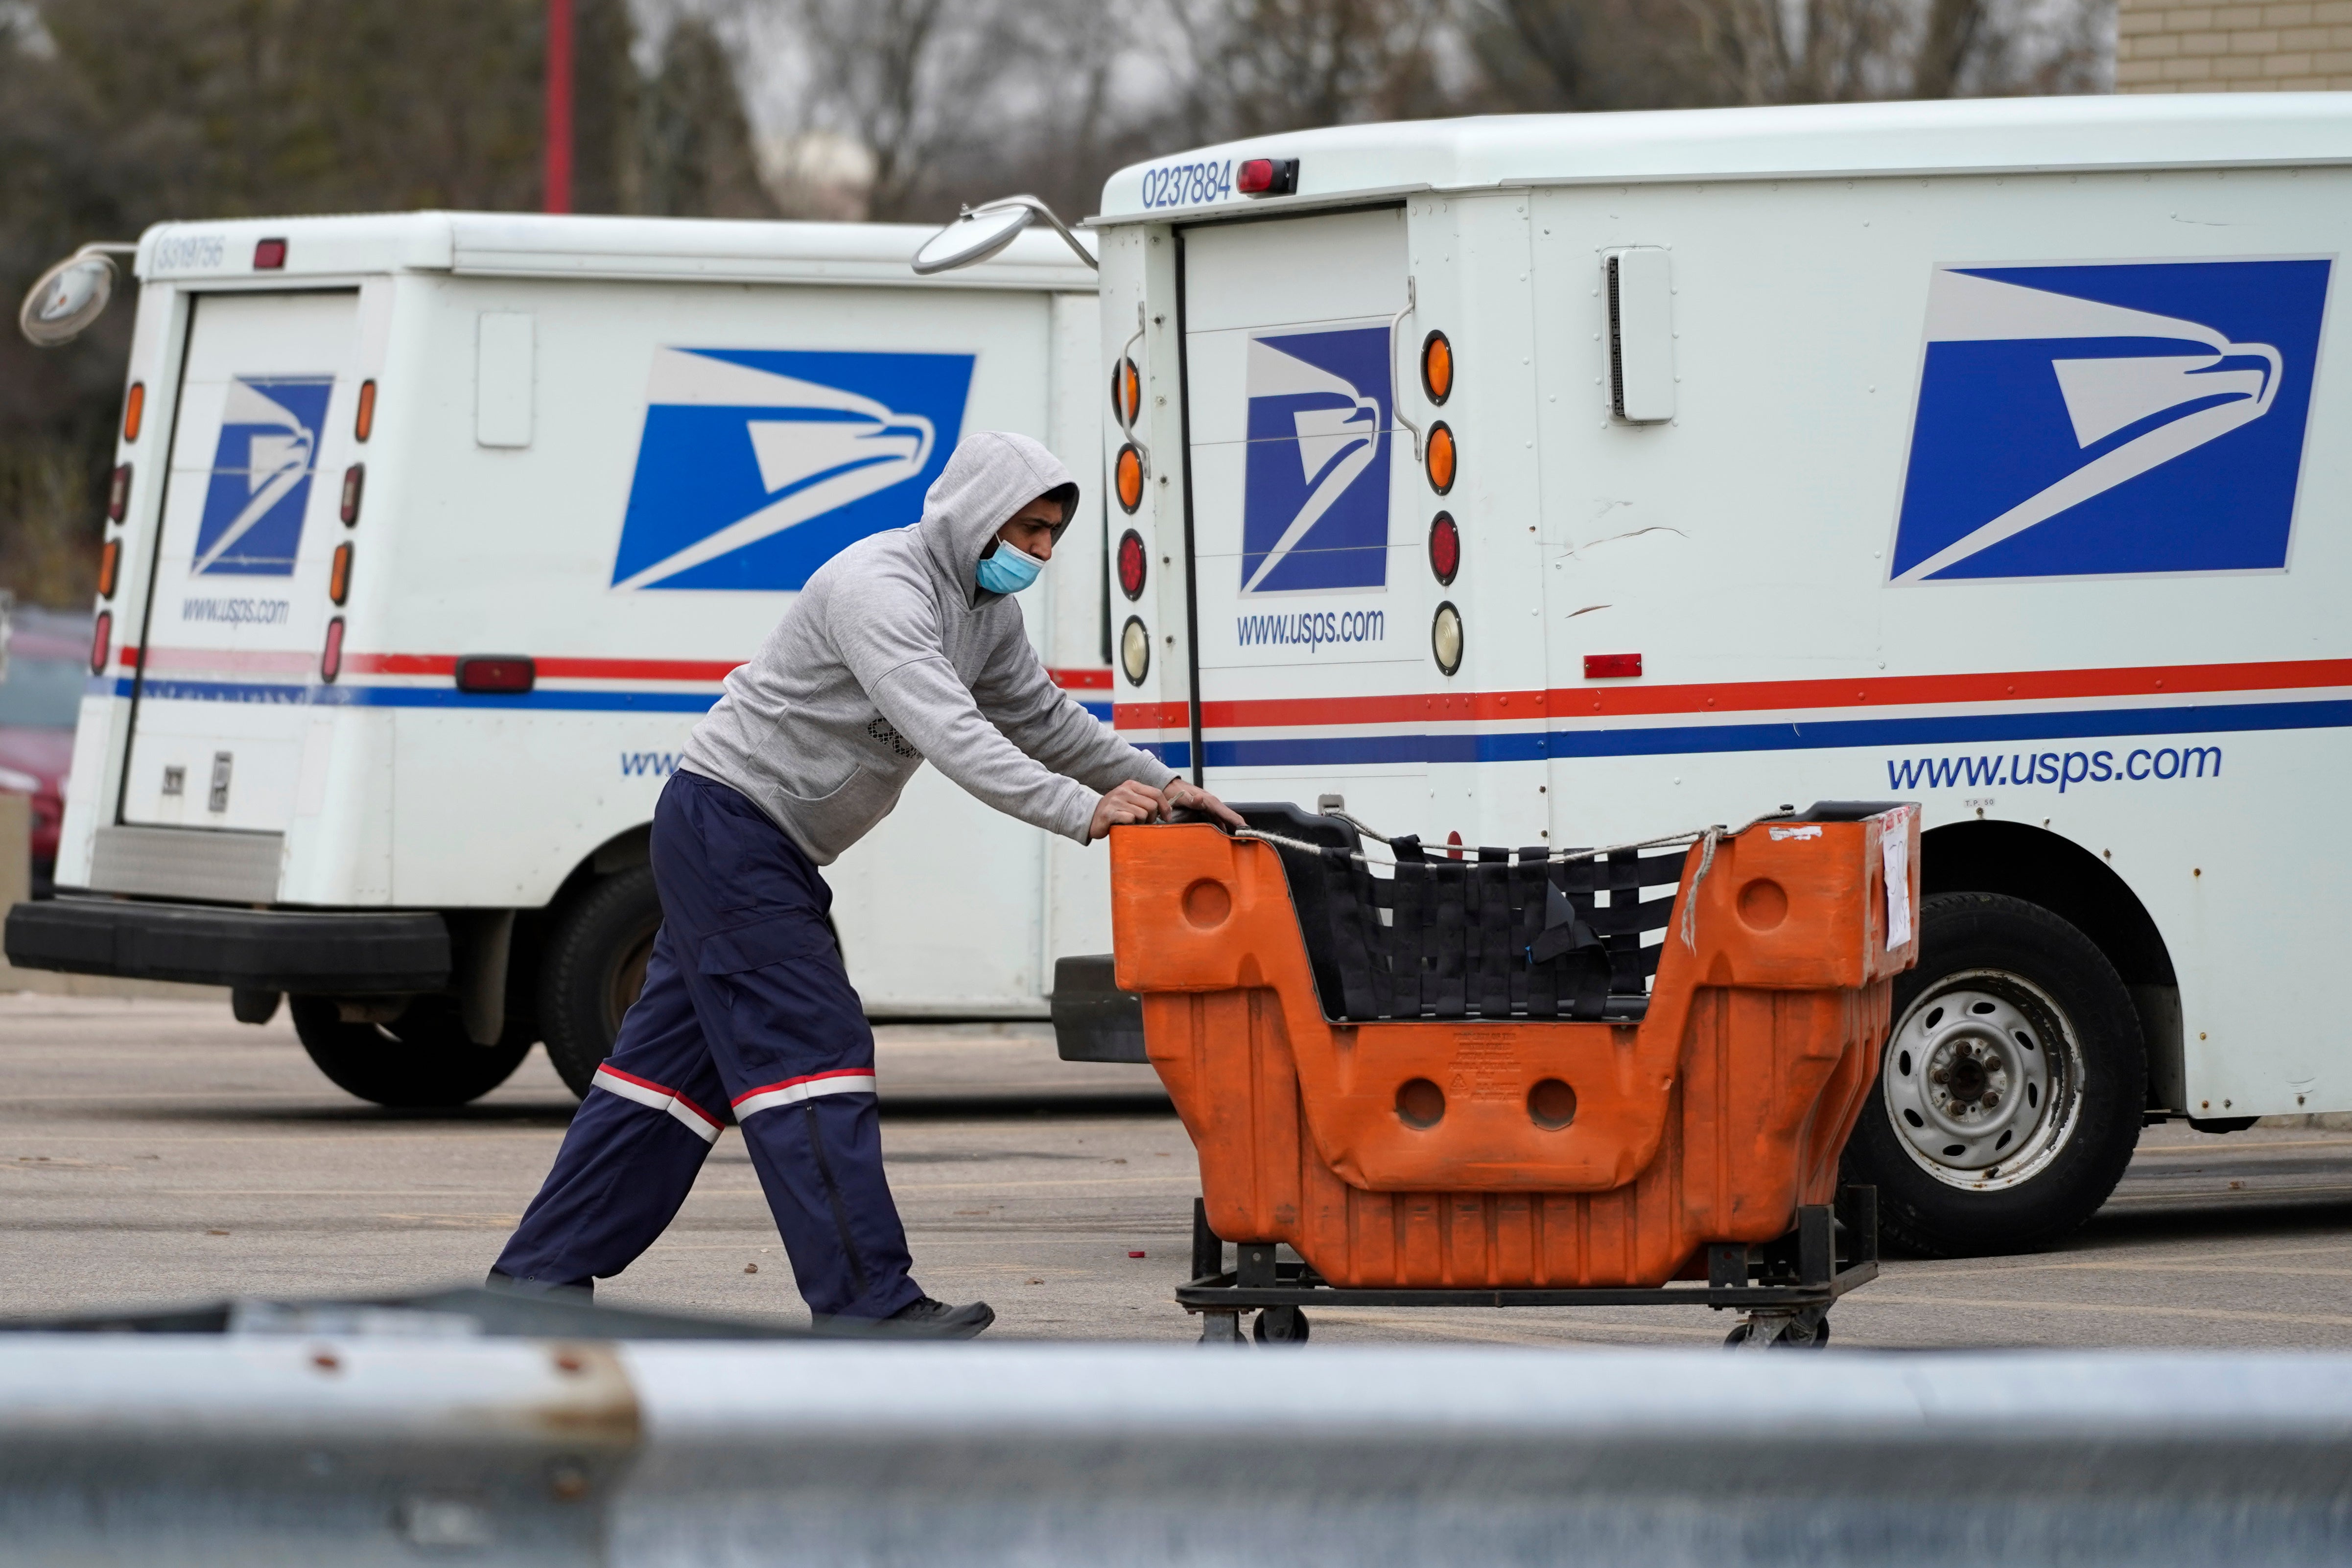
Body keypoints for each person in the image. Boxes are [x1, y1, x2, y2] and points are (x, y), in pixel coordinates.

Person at [489, 431, 1242, 1336]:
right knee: (814, 1053)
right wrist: (1081, 813)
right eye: (1029, 529)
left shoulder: (982, 610)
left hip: (755, 842)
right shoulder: (877, 589)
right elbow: (952, 730)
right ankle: (866, 1305)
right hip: (729, 828)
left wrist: (1159, 783)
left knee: (664, 1086)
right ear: (974, 515)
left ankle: (535, 1282)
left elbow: (1042, 717)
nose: (1040, 553)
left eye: (1052, 536)